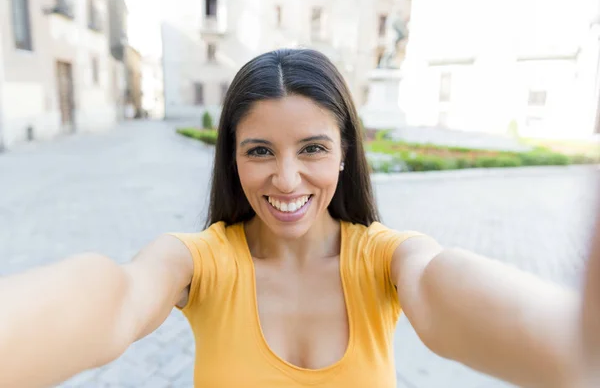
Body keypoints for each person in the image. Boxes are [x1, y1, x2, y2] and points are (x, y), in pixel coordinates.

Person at [0, 48, 596, 388]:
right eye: (260, 151)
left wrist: (580, 352)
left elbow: (447, 294)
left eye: (312, 148)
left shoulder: (388, 258)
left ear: (344, 153)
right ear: (233, 160)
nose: (286, 180)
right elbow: (115, 299)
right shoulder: (199, 262)